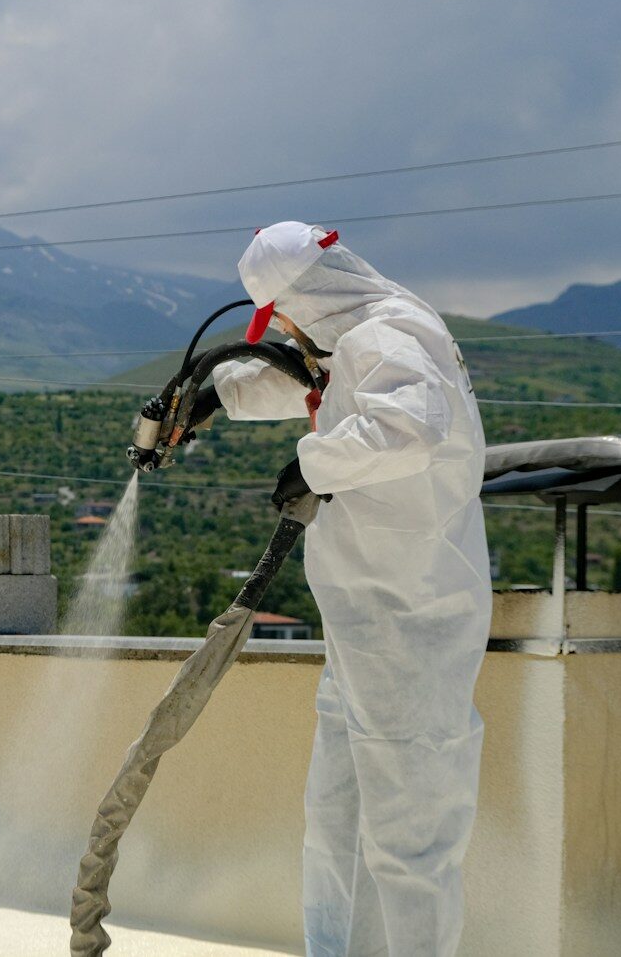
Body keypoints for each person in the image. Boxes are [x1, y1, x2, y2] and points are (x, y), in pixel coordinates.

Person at [200, 221, 491, 956]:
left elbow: (409, 428)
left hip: (410, 622)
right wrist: (213, 396)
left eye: (286, 317)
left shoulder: (389, 335)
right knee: (335, 826)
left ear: (305, 301)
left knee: (409, 841)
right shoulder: (358, 333)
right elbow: (310, 379)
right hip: (364, 626)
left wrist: (314, 465)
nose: (288, 332)